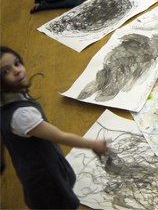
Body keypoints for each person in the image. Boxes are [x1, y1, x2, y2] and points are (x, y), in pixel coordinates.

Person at [0, 46, 110, 209]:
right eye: (6, 71)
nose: (17, 71)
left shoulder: (6, 101)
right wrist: (93, 145)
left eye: (17, 63)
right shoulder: (22, 116)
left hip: (28, 166)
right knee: (57, 201)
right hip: (44, 173)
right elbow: (60, 136)